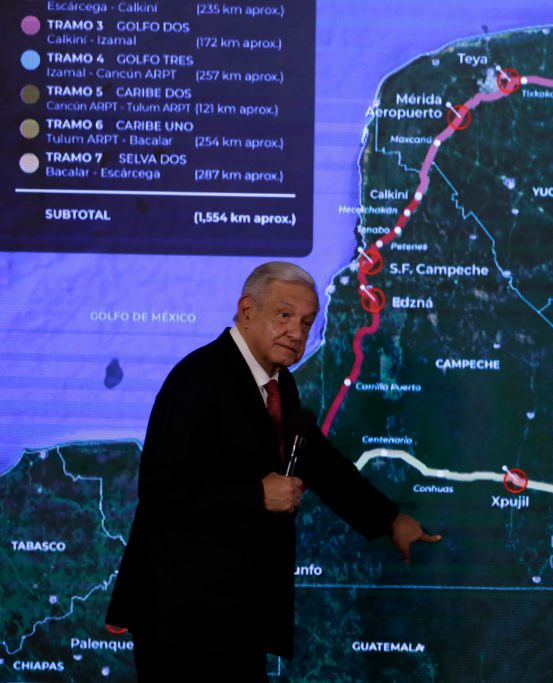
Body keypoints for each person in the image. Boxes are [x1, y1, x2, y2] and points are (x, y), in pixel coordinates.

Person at [106, 261, 440, 681]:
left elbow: (319, 461)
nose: (297, 332)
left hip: (236, 612)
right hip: (183, 616)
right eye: (285, 315)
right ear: (247, 310)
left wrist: (389, 520)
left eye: (306, 322)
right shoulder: (198, 379)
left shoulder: (279, 384)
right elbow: (162, 492)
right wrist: (256, 495)